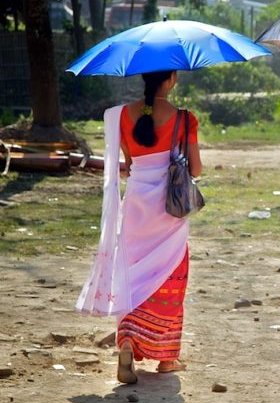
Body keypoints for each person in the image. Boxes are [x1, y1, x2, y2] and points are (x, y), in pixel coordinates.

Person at [76, 70, 202, 384]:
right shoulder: (185, 119)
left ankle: (128, 343)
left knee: (132, 276)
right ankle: (166, 358)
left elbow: (130, 163)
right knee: (171, 275)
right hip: (168, 212)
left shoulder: (120, 116)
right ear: (172, 78)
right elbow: (196, 168)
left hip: (135, 207)